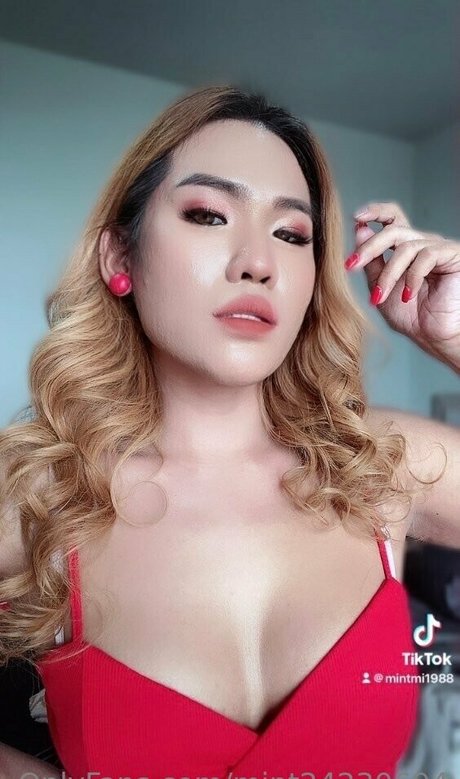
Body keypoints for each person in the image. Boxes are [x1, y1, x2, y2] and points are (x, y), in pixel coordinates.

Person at [0, 84, 459, 779]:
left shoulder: (382, 465)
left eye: (291, 234)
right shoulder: (44, 494)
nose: (258, 262)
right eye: (208, 215)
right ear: (120, 258)